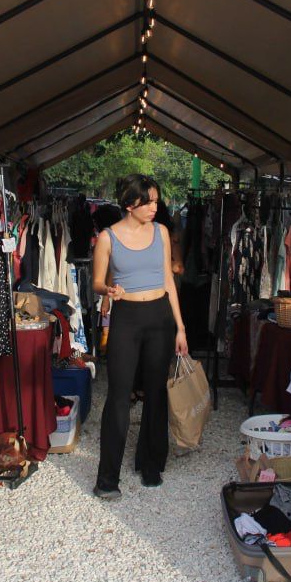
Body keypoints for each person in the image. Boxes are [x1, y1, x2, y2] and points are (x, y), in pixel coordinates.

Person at [92, 174, 186, 498]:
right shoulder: (108, 237)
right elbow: (97, 281)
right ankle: (107, 478)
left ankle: (151, 463)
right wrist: (108, 290)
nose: (154, 207)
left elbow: (169, 280)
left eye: (156, 201)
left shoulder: (161, 232)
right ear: (130, 204)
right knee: (119, 396)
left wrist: (180, 327)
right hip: (127, 319)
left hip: (160, 317)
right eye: (148, 202)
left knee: (156, 392)